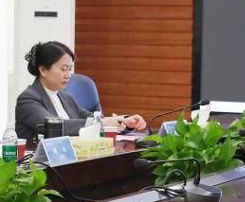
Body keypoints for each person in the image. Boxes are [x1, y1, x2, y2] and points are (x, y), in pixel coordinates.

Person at [14, 41, 146, 141]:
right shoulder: (28, 99)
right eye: (63, 69)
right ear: (43, 70)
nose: (68, 75)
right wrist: (101, 123)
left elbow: (92, 118)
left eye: (70, 69)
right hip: (39, 164)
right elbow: (54, 126)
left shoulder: (65, 97)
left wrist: (124, 121)